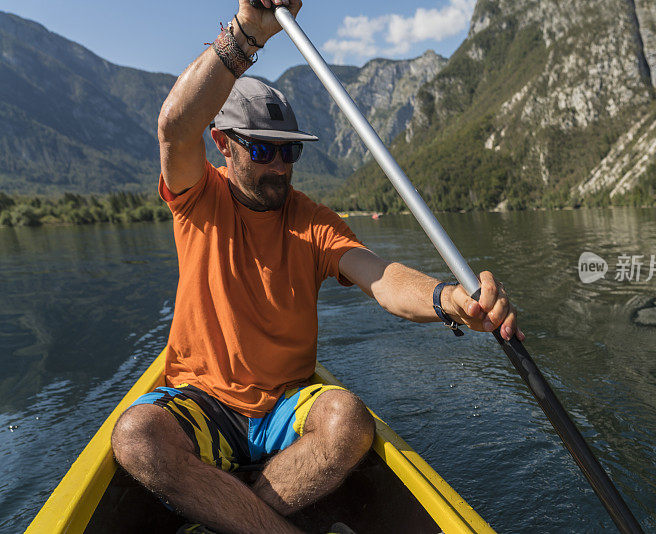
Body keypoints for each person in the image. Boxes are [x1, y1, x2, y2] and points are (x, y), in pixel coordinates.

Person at [110, 0, 524, 532]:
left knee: (348, 422)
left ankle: (232, 515)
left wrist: (448, 301)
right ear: (223, 144)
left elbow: (381, 277)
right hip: (204, 400)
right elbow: (172, 128)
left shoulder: (310, 221)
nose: (280, 167)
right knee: (136, 436)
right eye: (263, 150)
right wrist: (246, 34)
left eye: (290, 152)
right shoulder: (198, 198)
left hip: (283, 405)